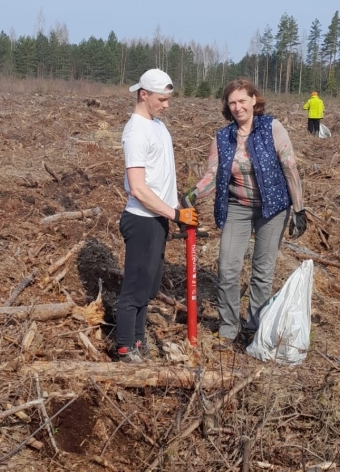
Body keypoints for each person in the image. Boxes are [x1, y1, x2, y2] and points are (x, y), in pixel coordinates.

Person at [185, 78, 305, 344]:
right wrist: (192, 193)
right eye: (232, 102)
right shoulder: (223, 137)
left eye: (242, 100)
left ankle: (254, 327)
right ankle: (229, 326)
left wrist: (299, 208)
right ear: (227, 106)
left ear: (253, 100)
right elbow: (212, 175)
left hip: (272, 208)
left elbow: (290, 166)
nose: (238, 107)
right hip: (237, 207)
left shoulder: (272, 128)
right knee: (227, 269)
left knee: (262, 271)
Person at [116, 69, 198, 362]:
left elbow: (162, 176)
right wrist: (175, 214)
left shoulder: (159, 126)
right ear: (144, 95)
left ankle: (138, 340)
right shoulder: (136, 132)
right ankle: (125, 347)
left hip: (158, 219)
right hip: (142, 220)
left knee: (148, 288)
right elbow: (138, 188)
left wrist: (178, 205)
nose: (167, 105)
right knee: (135, 289)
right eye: (162, 99)